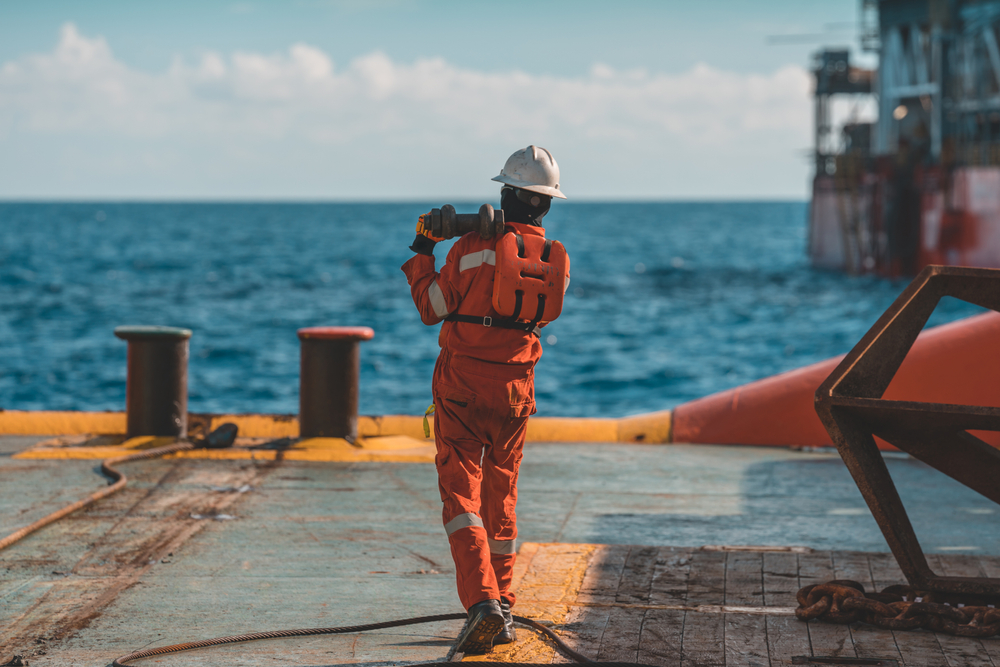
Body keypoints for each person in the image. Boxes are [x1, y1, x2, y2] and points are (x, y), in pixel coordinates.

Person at [401, 146, 569, 655]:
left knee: (462, 500)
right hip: (517, 393)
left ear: (506, 194)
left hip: (462, 390)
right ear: (545, 205)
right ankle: (506, 605)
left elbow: (431, 307)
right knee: (501, 500)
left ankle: (482, 606)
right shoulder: (550, 259)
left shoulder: (471, 247)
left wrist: (423, 248)